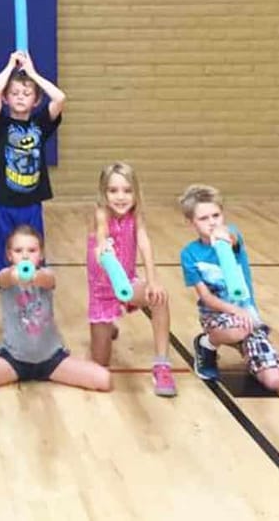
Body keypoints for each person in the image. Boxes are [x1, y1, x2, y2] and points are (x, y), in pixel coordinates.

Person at [0, 225, 111, 392]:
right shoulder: (5, 275)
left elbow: (47, 280)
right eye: (18, 251)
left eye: (32, 250)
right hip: (13, 359)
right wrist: (16, 275)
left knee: (104, 379)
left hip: (51, 359)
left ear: (41, 254)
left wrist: (32, 276)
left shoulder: (47, 275)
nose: (25, 255)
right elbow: (6, 279)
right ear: (9, 255)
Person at [179, 184, 279, 391]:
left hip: (248, 317)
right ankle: (206, 344)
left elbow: (231, 237)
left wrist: (224, 236)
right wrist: (236, 311)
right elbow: (206, 297)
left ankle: (249, 351)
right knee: (239, 328)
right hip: (216, 313)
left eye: (216, 216)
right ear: (191, 222)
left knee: (275, 382)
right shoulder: (189, 254)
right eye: (203, 218)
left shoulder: (231, 235)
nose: (212, 222)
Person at [88, 162, 176, 396]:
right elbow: (101, 235)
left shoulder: (135, 215)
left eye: (127, 191)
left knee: (159, 298)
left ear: (136, 192)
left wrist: (153, 280)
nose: (121, 197)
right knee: (100, 365)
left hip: (127, 283)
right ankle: (108, 324)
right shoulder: (101, 213)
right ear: (104, 193)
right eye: (113, 190)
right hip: (103, 291)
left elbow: (144, 243)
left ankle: (162, 365)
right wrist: (103, 247)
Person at [0, 50, 64, 275]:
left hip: (32, 204)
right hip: (3, 203)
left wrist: (33, 74)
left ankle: (31, 294)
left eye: (27, 93)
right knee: (4, 261)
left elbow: (59, 98)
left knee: (33, 257)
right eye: (14, 93)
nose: (20, 97)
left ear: (36, 100)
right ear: (6, 98)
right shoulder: (0, 125)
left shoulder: (41, 124)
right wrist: (11, 65)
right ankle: (7, 293)